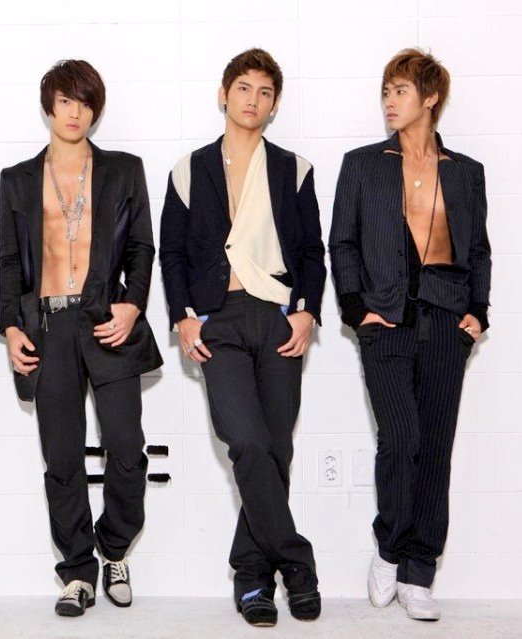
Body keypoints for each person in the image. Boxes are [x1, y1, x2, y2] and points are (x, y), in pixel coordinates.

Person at [159, 49, 325, 627]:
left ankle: (252, 576)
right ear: (224, 94)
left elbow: (312, 251)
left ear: (274, 104)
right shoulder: (189, 169)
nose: (253, 100)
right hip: (218, 320)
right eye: (244, 88)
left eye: (265, 92)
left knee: (275, 451)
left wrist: (306, 312)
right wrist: (183, 317)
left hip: (277, 317)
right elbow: (172, 252)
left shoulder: (294, 169)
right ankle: (297, 564)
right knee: (249, 443)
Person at [329, 48, 491, 622]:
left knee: (436, 446)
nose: (390, 101)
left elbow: (478, 249)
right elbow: (342, 243)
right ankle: (389, 546)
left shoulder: (465, 172)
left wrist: (478, 312)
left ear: (431, 97)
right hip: (385, 320)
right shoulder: (363, 165)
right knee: (400, 438)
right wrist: (356, 310)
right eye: (386, 91)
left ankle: (419, 571)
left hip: (447, 320)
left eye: (400, 91)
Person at [0, 59, 162, 617]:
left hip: (106, 321)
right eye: (66, 101)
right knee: (62, 457)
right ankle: (76, 571)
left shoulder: (124, 169)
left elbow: (141, 245)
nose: (75, 113)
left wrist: (133, 303)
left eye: (85, 103)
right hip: (48, 326)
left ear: (96, 111)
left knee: (127, 448)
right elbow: (8, 261)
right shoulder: (17, 179)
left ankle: (113, 548)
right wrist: (12, 326)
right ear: (49, 106)